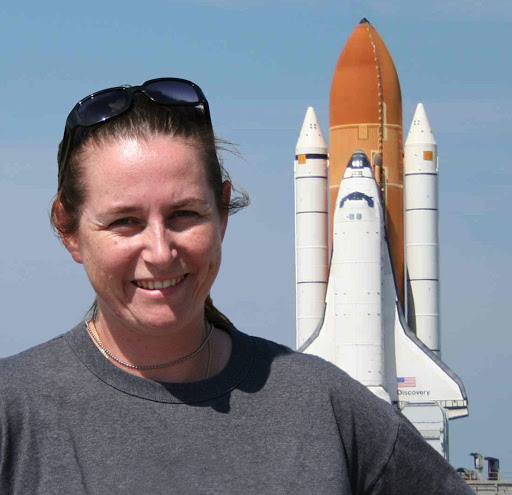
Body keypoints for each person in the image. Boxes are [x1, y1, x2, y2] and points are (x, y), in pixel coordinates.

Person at [0, 78, 475, 494]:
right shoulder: (14, 412)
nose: (161, 251)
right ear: (69, 231)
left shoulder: (327, 408)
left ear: (223, 211)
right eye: (125, 222)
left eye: (185, 214)